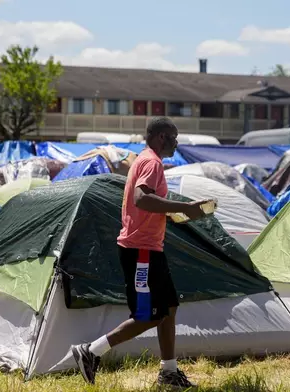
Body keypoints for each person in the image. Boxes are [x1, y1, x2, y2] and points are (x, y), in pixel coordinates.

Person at [70, 117, 212, 389]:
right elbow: (141, 198)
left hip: (149, 248)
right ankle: (91, 351)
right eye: (174, 136)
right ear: (161, 137)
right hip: (141, 251)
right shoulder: (152, 162)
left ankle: (169, 373)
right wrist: (183, 207)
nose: (176, 142)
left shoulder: (145, 160)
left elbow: (146, 205)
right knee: (149, 315)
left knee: (168, 308)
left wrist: (172, 214)